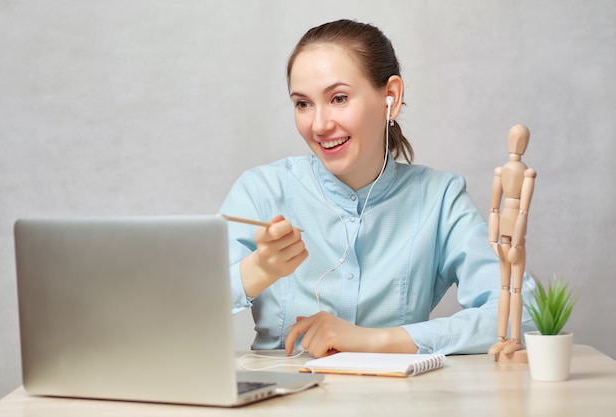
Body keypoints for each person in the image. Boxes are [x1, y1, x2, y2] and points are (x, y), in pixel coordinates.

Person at [220, 19, 536, 358]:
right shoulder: (261, 191)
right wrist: (259, 270)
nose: (319, 125)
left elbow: (524, 314)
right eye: (303, 104)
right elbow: (172, 312)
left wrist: (374, 340)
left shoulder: (439, 199)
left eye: (339, 98)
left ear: (391, 98)